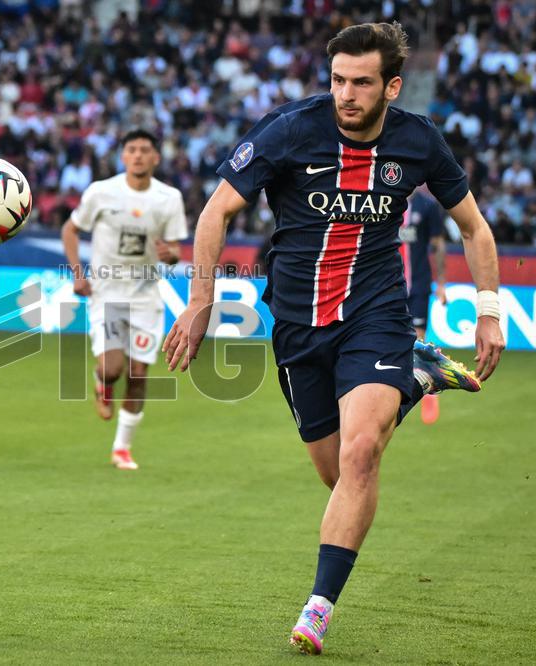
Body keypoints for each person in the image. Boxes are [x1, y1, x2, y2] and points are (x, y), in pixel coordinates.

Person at [163, 23, 504, 655]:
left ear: (391, 86)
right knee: (334, 473)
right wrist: (201, 302)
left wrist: (490, 310)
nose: (346, 94)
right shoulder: (289, 130)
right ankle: (417, 377)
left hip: (375, 313)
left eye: (362, 83)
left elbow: (474, 228)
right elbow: (215, 211)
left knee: (361, 457)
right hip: (296, 326)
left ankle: (318, 607)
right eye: (338, 80)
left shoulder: (418, 140)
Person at [61, 129, 188, 471]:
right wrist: (77, 274)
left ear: (155, 158)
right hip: (108, 293)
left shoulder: (169, 198)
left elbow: (175, 250)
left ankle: (122, 448)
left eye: (145, 150)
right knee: (113, 368)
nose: (138, 156)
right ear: (123, 156)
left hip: (146, 295)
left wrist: (170, 254)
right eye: (131, 150)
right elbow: (70, 230)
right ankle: (102, 383)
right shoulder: (101, 192)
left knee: (139, 373)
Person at [399, 186, 448, 424]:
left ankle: (426, 386)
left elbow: (438, 244)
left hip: (417, 283)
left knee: (417, 341)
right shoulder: (385, 201)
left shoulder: (427, 206)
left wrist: (441, 282)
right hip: (388, 285)